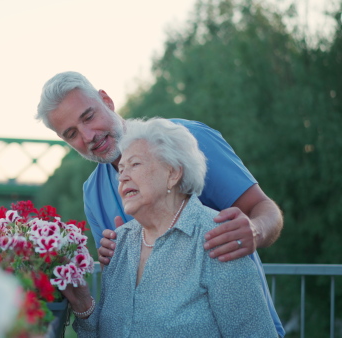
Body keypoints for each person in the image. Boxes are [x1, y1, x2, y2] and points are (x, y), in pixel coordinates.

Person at [35, 71, 285, 336]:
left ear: (106, 101)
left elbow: (263, 208)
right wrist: (105, 270)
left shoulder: (184, 141)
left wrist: (254, 231)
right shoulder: (92, 193)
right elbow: (123, 308)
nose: (87, 136)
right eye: (71, 133)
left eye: (88, 117)